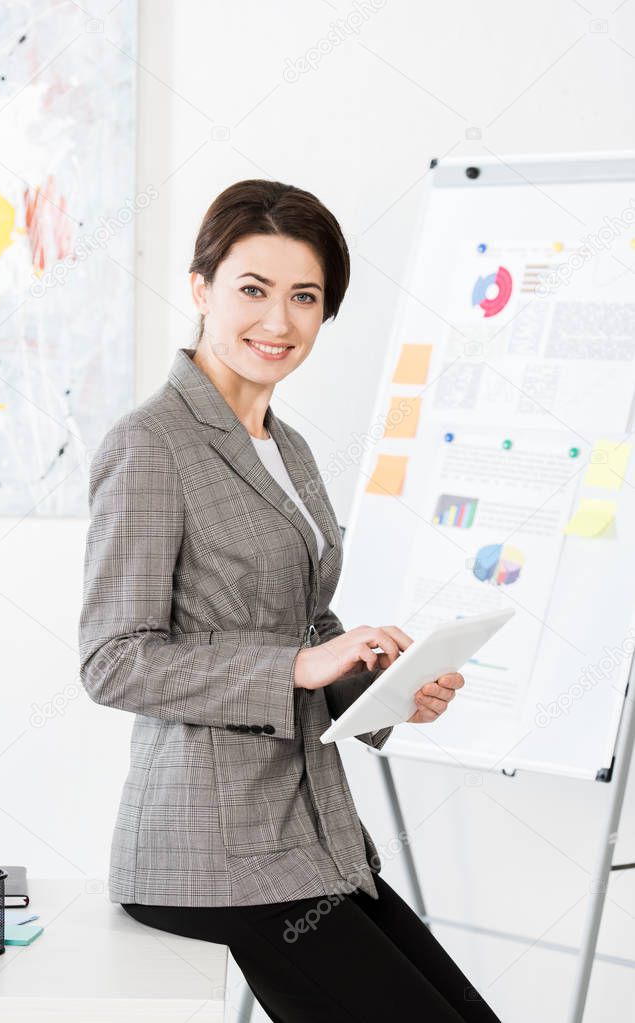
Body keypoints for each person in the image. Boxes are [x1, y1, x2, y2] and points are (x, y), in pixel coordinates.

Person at [78, 178, 501, 1022]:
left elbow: (308, 630)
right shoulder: (150, 443)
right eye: (253, 290)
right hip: (208, 850)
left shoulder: (289, 447)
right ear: (201, 289)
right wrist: (304, 663)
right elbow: (112, 659)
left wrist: (385, 689)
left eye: (304, 297)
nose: (278, 322)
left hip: (311, 836)